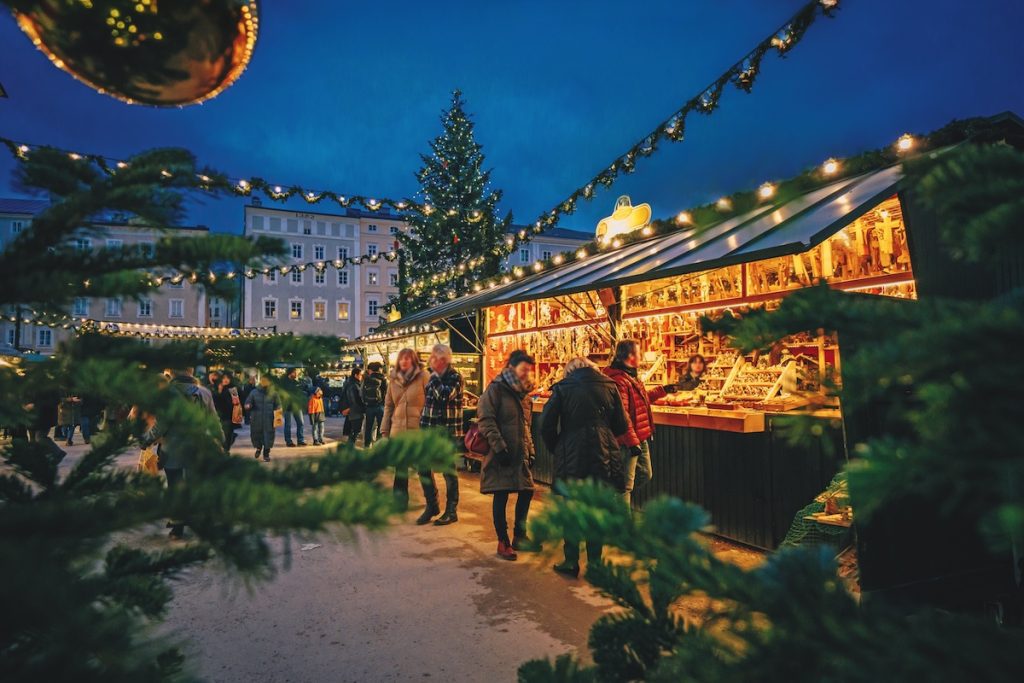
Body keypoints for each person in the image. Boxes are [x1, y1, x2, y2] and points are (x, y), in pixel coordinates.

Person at [541, 357, 629, 578]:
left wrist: (558, 446)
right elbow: (622, 424)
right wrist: (604, 433)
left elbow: (545, 424)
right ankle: (595, 564)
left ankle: (571, 561)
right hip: (603, 454)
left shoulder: (562, 388)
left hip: (572, 454)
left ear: (569, 370)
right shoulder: (610, 386)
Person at [477, 350, 537, 561]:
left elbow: (526, 426)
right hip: (501, 452)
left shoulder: (525, 395)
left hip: (520, 453)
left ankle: (520, 535)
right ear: (511, 367)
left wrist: (531, 450)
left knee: (527, 491)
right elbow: (486, 419)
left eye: (528, 370)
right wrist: (499, 447)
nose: (526, 374)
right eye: (523, 369)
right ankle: (503, 542)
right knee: (501, 493)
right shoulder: (496, 389)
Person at [604, 339, 677, 507]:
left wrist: (663, 390)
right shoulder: (619, 380)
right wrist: (632, 442)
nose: (641, 357)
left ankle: (613, 497)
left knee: (645, 473)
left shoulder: (631, 376)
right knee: (625, 485)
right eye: (639, 353)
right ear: (630, 356)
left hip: (639, 435)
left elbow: (640, 400)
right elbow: (621, 414)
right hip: (627, 440)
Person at [157, 366, 216, 539]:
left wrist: (147, 439)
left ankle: (178, 525)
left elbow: (162, 424)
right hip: (197, 445)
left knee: (175, 485)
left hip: (172, 447)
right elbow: (213, 420)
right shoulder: (204, 392)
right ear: (191, 372)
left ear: (171, 372)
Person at [417, 344, 464, 526]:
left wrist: (434, 376)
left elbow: (444, 396)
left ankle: (451, 511)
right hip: (429, 430)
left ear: (443, 360)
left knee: (448, 470)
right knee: (423, 467)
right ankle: (432, 505)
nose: (431, 361)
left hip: (447, 432)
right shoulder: (432, 377)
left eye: (434, 358)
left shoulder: (455, 377)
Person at [381, 348, 429, 509]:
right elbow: (388, 406)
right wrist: (384, 430)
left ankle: (432, 502)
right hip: (399, 430)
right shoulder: (393, 380)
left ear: (413, 360)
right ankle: (399, 502)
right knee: (400, 468)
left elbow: (431, 402)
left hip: (419, 430)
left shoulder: (424, 376)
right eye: (402, 358)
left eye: (407, 358)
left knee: (424, 468)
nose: (404, 361)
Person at [245, 376, 280, 462]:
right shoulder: (254, 392)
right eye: (263, 380)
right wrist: (248, 405)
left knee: (268, 436)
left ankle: (266, 454)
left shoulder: (274, 393)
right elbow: (248, 401)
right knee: (257, 435)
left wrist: (278, 415)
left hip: (269, 418)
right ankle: (258, 448)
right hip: (257, 418)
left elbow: (278, 405)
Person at [213, 371, 242, 451]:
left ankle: (226, 449)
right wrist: (219, 390)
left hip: (229, 416)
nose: (225, 380)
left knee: (227, 434)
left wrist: (236, 417)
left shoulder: (233, 389)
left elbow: (236, 404)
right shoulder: (217, 388)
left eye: (227, 378)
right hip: (219, 415)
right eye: (224, 378)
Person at [361, 362, 387, 447]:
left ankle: (367, 446)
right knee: (380, 427)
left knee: (368, 427)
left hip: (369, 406)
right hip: (380, 406)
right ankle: (378, 446)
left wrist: (365, 402)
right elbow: (386, 393)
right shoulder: (383, 378)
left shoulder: (366, 379)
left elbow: (362, 393)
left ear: (371, 370)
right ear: (379, 369)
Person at [280, 367, 307, 447]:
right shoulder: (284, 382)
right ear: (290, 373)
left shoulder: (296, 382)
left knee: (301, 422)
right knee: (288, 424)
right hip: (287, 405)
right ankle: (288, 441)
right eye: (294, 372)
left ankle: (300, 440)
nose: (296, 374)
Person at [342, 367, 365, 445]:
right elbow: (354, 399)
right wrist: (362, 407)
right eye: (360, 375)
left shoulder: (350, 383)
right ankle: (350, 447)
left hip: (352, 410)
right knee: (355, 431)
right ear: (356, 375)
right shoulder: (353, 385)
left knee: (353, 431)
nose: (361, 376)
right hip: (355, 410)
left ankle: (350, 446)